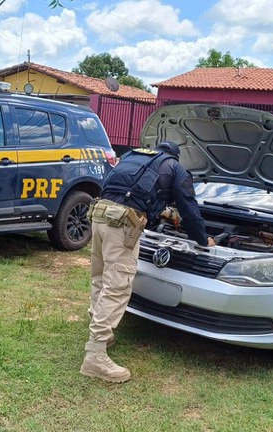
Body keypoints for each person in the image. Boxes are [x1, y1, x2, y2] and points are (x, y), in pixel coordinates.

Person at [81, 141, 214, 383]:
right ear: (174, 157)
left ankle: (102, 331)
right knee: (118, 285)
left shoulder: (134, 156)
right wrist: (202, 239)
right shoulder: (175, 168)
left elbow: (122, 189)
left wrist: (158, 211)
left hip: (100, 215)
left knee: (100, 277)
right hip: (121, 224)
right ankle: (95, 355)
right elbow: (189, 208)